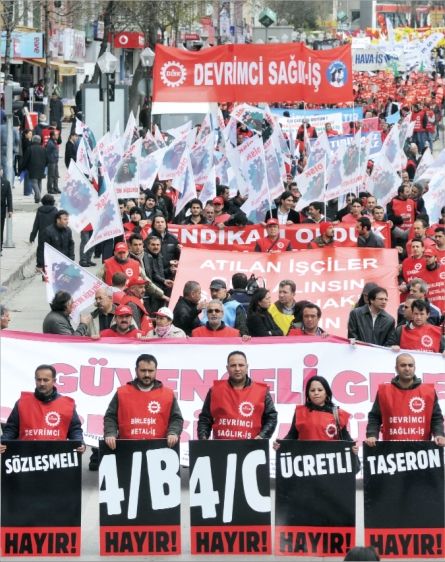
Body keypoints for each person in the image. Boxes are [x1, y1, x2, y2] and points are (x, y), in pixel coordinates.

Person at [0, 364, 85, 453]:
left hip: (56, 457)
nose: (42, 383)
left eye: (46, 380)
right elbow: (12, 428)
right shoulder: (22, 402)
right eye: (39, 379)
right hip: (27, 456)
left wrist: (80, 444)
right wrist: (3, 441)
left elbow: (75, 430)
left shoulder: (67, 405)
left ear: (54, 381)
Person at [103, 354, 183, 448]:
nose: (147, 375)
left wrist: (173, 433)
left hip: (158, 449)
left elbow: (176, 418)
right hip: (127, 449)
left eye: (150, 371)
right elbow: (110, 417)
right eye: (143, 370)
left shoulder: (168, 394)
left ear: (156, 370)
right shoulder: (122, 392)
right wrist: (110, 433)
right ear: (136, 370)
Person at [365, 353, 445, 446]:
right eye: (403, 365)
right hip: (392, 449)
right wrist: (372, 435)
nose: (407, 368)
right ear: (396, 368)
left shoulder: (428, 391)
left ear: (414, 368)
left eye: (410, 365)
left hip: (422, 448)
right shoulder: (384, 392)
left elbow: (436, 417)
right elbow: (375, 417)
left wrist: (439, 434)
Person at [197, 350, 278, 440]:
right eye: (233, 365)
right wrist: (203, 440)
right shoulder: (215, 390)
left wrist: (262, 436)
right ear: (227, 368)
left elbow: (271, 417)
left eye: (241, 365)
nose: (237, 369)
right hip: (220, 446)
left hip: (252, 446)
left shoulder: (261, 391)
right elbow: (205, 419)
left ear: (247, 367)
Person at [274, 376, 358, 453]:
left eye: (320, 390)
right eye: (312, 390)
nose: (316, 393)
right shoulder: (300, 412)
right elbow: (292, 435)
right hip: (306, 458)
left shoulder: (337, 414)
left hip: (331, 460)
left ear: (326, 392)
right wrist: (280, 444)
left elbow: (345, 438)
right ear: (308, 393)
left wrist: (353, 447)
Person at [29, 194, 58, 271]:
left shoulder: (39, 210)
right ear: (52, 201)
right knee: (52, 249)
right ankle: (51, 264)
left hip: (42, 234)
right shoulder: (55, 210)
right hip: (53, 234)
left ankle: (40, 265)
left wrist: (32, 237)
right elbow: (57, 223)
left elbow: (36, 224)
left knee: (41, 249)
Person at [20, 134, 48, 203]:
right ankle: (37, 198)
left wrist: (22, 168)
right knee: (39, 182)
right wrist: (44, 165)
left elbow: (25, 160)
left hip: (32, 168)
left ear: (33, 140)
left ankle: (38, 196)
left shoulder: (30, 148)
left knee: (34, 183)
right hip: (41, 168)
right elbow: (47, 160)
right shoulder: (43, 149)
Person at [0, 166, 13, 253]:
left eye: (1, 170)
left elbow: (9, 197)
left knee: (0, 229)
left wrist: (10, 210)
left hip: (1, 209)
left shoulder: (6, 183)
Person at [46, 130, 60, 194]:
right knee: (51, 176)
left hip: (55, 161)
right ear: (52, 136)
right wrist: (50, 159)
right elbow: (47, 153)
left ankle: (56, 187)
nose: (58, 136)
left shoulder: (54, 141)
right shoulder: (50, 143)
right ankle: (50, 189)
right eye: (56, 135)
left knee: (56, 175)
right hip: (51, 161)